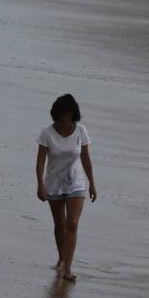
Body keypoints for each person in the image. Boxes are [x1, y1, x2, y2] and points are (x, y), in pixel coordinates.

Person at [36, 93, 97, 282]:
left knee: (72, 225)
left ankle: (67, 269)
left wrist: (92, 183)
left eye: (68, 115)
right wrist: (40, 185)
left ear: (73, 114)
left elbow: (85, 158)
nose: (65, 119)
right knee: (59, 225)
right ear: (56, 115)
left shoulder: (81, 131)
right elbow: (40, 162)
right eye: (61, 115)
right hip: (54, 182)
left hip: (76, 182)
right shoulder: (47, 133)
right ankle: (62, 258)